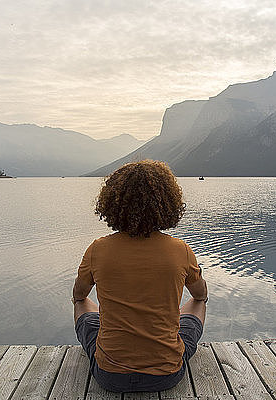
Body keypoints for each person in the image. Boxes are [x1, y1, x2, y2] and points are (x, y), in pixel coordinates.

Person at [72, 159, 208, 393]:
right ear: (167, 203)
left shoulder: (97, 249)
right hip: (166, 375)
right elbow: (200, 294)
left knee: (84, 308)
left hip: (110, 376)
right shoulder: (180, 250)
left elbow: (79, 294)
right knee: (197, 304)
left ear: (112, 203)